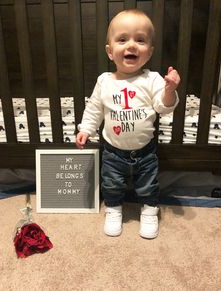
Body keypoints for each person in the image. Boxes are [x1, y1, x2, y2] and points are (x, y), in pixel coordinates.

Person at [76, 9, 180, 238]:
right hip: (113, 152)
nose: (131, 45)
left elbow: (164, 107)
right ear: (110, 51)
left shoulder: (151, 79)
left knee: (148, 184)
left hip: (145, 150)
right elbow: (94, 108)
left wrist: (170, 91)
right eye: (122, 39)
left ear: (150, 52)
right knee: (111, 184)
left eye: (140, 40)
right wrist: (85, 129)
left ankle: (150, 210)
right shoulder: (104, 81)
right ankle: (113, 209)